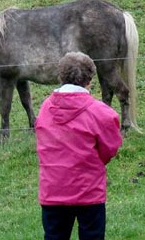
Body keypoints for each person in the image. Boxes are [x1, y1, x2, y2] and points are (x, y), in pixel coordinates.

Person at [36, 52, 123, 240]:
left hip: (53, 190)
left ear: (60, 76)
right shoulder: (101, 112)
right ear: (89, 80)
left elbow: (43, 142)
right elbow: (110, 148)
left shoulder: (45, 108)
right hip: (88, 191)